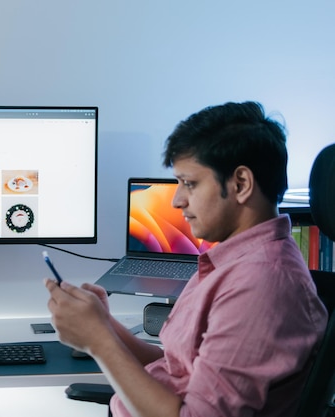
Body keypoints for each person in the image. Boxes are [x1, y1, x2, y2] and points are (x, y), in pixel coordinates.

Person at [45, 101, 328, 417]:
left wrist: (99, 342)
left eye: (189, 183)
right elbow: (175, 368)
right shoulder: (232, 260)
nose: (177, 200)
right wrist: (105, 326)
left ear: (241, 184)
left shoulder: (261, 284)